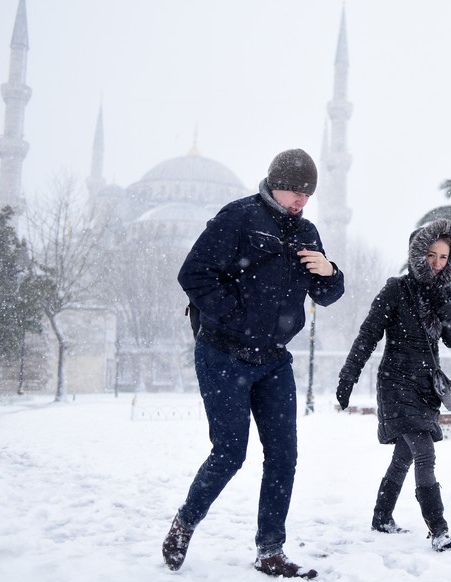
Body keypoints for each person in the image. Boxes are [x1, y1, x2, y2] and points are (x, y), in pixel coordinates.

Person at [162, 148, 344, 579]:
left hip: (274, 361)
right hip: (223, 353)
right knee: (229, 452)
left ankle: (270, 551)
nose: (301, 199)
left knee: (284, 456)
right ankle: (185, 524)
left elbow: (327, 296)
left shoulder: (308, 232)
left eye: (308, 193)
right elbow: (194, 274)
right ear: (273, 182)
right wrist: (235, 316)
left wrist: (329, 270)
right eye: (294, 190)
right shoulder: (239, 217)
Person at [336, 218, 451, 552]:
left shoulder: (447, 293)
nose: (437, 263)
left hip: (425, 387)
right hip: (395, 383)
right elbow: (368, 336)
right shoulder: (396, 289)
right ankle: (439, 529)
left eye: (444, 257)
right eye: (431, 255)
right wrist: (348, 376)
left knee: (404, 455)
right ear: (417, 254)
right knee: (424, 451)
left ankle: (382, 517)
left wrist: (442, 303)